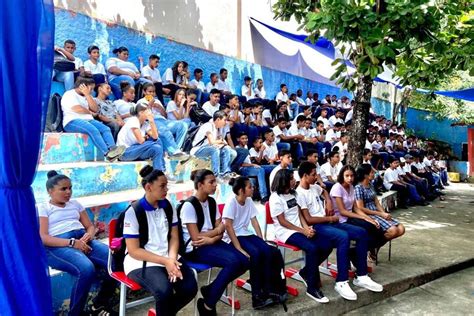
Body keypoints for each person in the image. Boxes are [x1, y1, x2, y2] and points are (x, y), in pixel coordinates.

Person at [297, 162, 382, 301]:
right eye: (313, 175)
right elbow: (308, 219)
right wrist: (329, 217)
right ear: (305, 176)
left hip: (329, 221)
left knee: (361, 233)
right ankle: (341, 281)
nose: (316, 177)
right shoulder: (299, 193)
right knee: (343, 237)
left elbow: (324, 191)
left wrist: (328, 201)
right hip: (318, 225)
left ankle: (361, 276)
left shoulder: (313, 187)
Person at [38, 171, 117, 316]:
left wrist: (88, 235)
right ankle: (76, 313)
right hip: (59, 245)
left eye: (70, 188)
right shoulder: (44, 208)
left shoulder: (75, 204)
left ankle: (99, 303)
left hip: (83, 238)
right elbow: (43, 237)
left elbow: (90, 226)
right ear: (50, 191)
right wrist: (72, 243)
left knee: (115, 262)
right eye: (63, 189)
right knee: (86, 268)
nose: (68, 192)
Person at [124, 166, 198, 315]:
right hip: (141, 260)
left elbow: (174, 237)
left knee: (190, 287)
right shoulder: (134, 211)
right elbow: (134, 250)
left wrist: (171, 259)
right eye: (162, 186)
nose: (166, 189)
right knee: (164, 291)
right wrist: (166, 262)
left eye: (167, 185)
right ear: (148, 187)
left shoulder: (168, 206)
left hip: (169, 256)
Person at [180, 169, 249, 315]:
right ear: (200, 185)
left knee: (245, 260)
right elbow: (196, 237)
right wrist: (216, 232)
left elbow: (222, 227)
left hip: (212, 242)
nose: (215, 185)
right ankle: (208, 305)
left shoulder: (211, 201)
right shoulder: (189, 206)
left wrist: (213, 237)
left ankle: (211, 290)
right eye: (211, 182)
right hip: (195, 249)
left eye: (215, 181)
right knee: (234, 262)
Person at [269, 169, 331, 303]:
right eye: (291, 178)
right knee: (312, 248)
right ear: (284, 180)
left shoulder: (293, 193)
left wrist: (306, 228)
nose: (294, 181)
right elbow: (282, 221)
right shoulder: (275, 197)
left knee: (327, 244)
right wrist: (303, 231)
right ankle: (312, 288)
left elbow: (299, 214)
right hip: (285, 232)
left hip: (299, 228)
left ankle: (305, 272)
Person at [223, 176, 284, 309]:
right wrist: (239, 248)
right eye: (249, 187)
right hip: (234, 237)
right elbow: (228, 226)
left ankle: (268, 290)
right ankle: (256, 297)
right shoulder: (231, 202)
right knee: (255, 254)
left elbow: (254, 221)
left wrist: (261, 240)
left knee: (267, 250)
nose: (253, 188)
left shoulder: (249, 200)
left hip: (246, 234)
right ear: (241, 190)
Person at [61, 76, 125, 161]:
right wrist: (89, 112)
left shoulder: (86, 96)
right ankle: (107, 154)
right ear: (82, 86)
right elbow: (77, 109)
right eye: (90, 89)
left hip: (88, 120)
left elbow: (96, 109)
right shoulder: (69, 94)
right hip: (72, 121)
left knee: (105, 129)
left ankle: (113, 150)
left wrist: (87, 95)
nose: (92, 91)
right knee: (93, 130)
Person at [355, 164, 405, 260]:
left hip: (377, 212)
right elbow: (360, 208)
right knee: (393, 230)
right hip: (368, 214)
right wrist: (380, 214)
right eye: (372, 172)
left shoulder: (371, 185)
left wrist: (384, 214)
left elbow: (377, 202)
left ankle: (374, 246)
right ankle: (371, 248)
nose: (374, 173)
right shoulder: (358, 188)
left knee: (401, 229)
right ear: (366, 175)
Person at [136, 83, 189, 161]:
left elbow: (165, 115)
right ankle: (174, 151)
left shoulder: (157, 101)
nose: (152, 94)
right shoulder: (140, 101)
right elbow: (143, 116)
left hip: (164, 120)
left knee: (183, 125)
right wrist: (150, 104)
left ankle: (177, 150)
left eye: (153, 92)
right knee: (164, 130)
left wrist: (160, 107)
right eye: (149, 92)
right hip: (152, 121)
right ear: (144, 92)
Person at [117, 103, 165, 170]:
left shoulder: (145, 124)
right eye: (148, 111)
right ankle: (162, 170)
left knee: (157, 148)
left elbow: (155, 137)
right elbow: (141, 140)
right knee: (156, 142)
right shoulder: (133, 120)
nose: (150, 113)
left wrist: (152, 121)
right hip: (125, 152)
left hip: (137, 151)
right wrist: (145, 138)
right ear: (141, 113)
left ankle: (160, 172)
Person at [190, 111, 236, 179]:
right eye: (224, 120)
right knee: (214, 150)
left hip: (208, 149)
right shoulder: (208, 125)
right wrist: (222, 142)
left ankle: (225, 173)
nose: (226, 122)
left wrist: (223, 144)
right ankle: (215, 175)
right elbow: (212, 142)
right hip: (198, 150)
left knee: (227, 150)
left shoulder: (216, 129)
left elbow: (216, 143)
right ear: (218, 119)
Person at [235, 133, 271, 203]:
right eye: (243, 138)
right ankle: (264, 196)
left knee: (272, 168)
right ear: (238, 139)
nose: (245, 140)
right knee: (260, 170)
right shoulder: (237, 149)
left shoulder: (246, 147)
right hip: (243, 169)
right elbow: (240, 164)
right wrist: (252, 165)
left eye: (246, 138)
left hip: (250, 166)